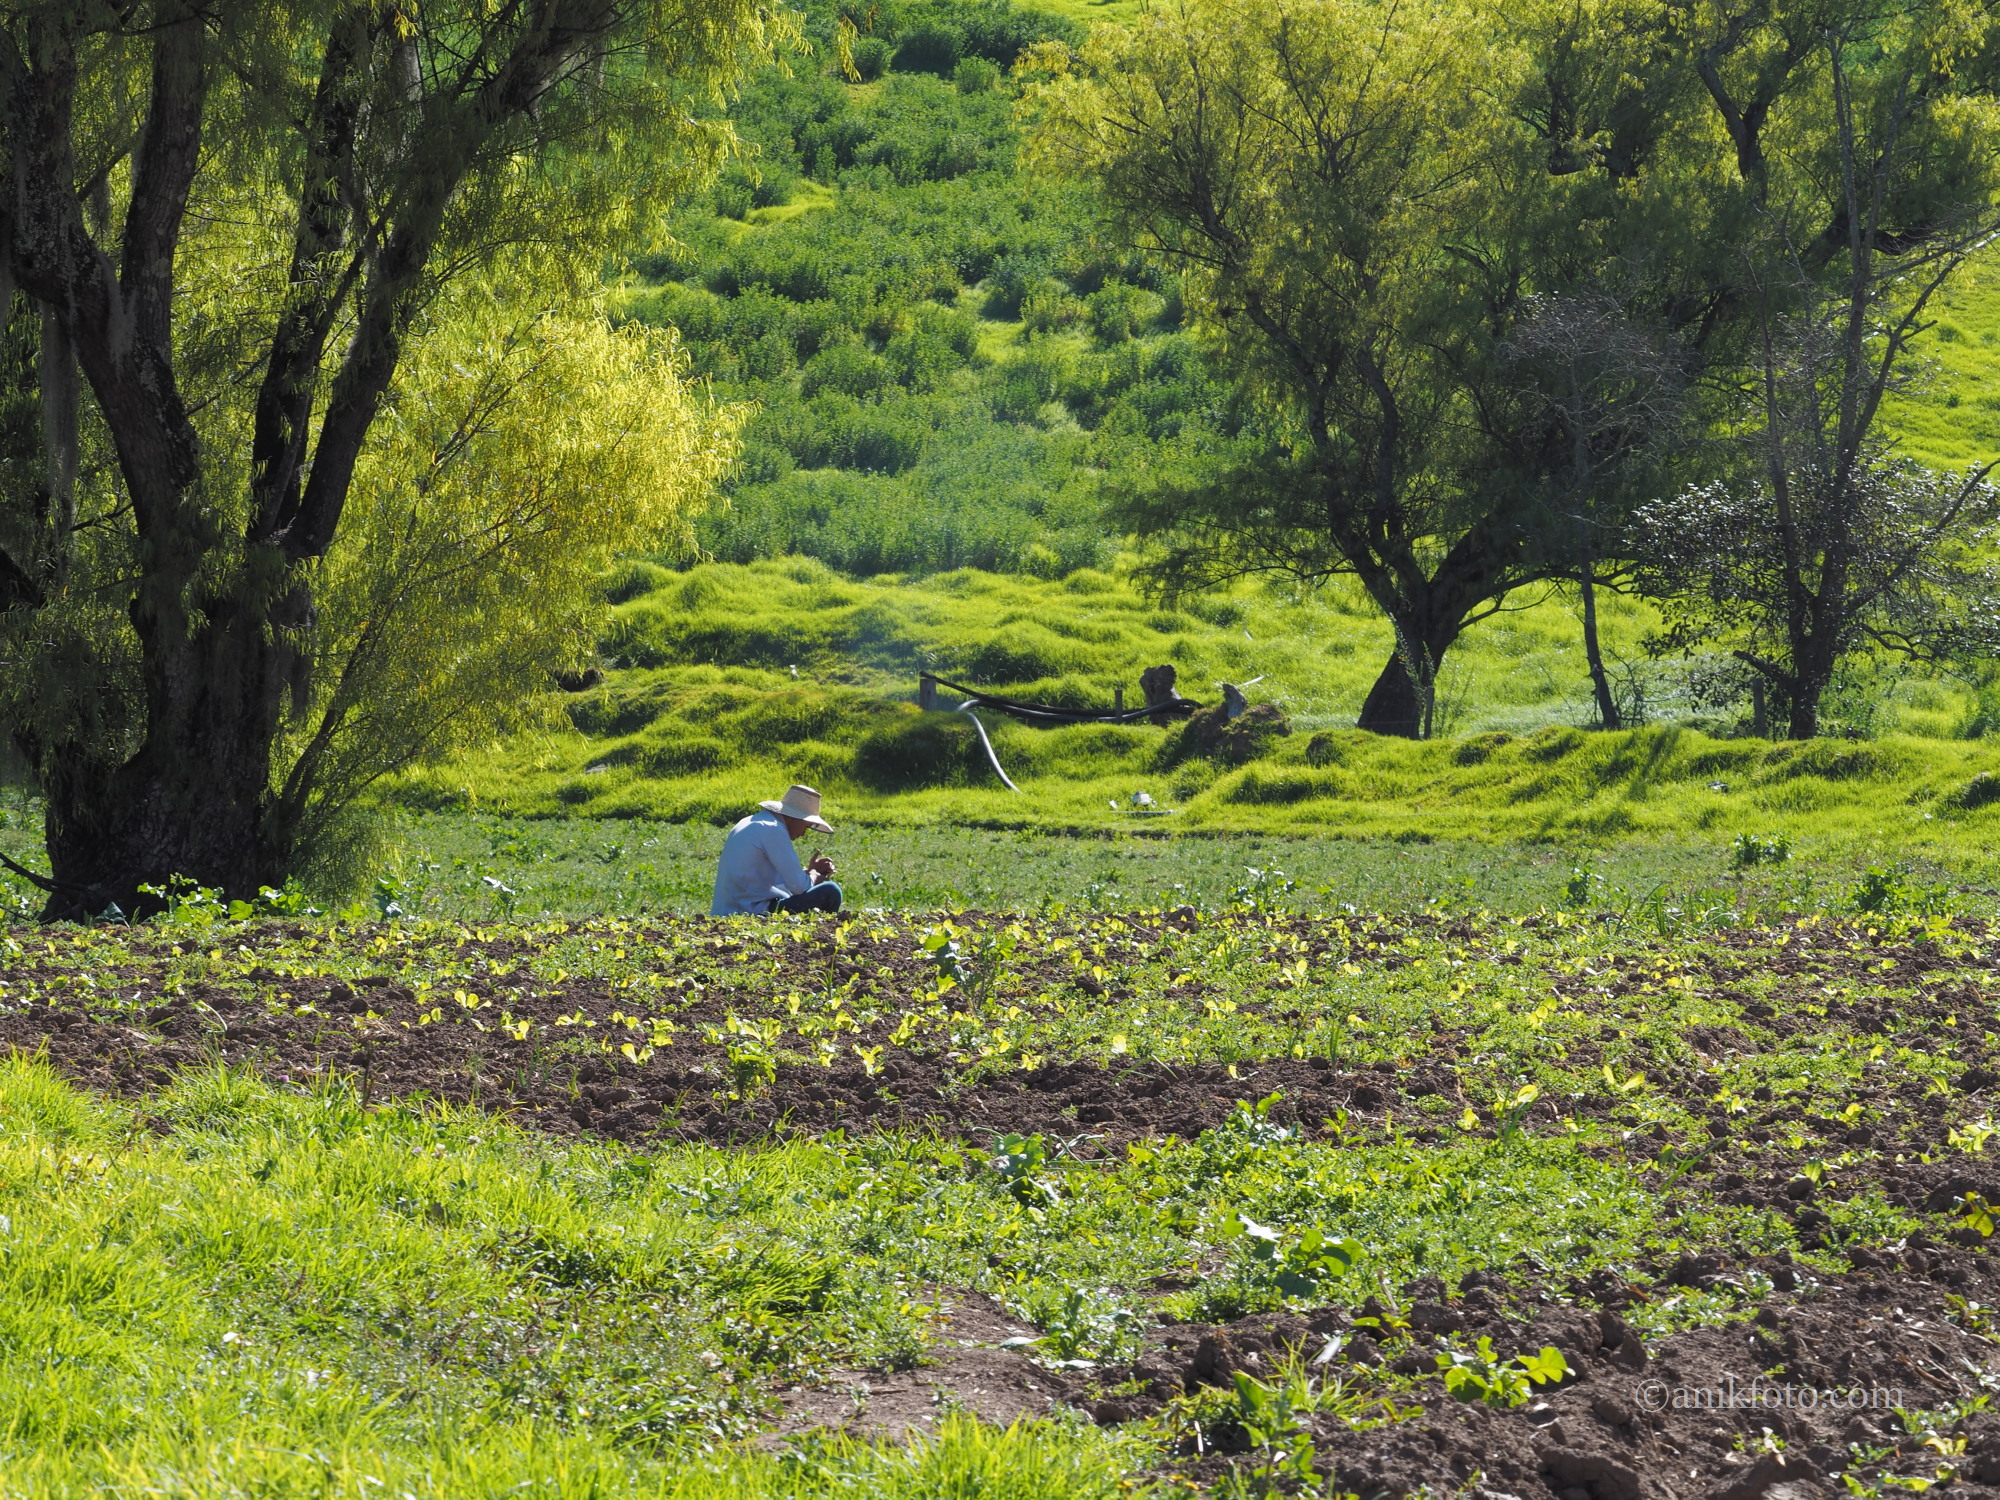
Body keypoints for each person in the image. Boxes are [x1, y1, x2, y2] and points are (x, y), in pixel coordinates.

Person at [710, 783, 843, 916]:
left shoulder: (752, 822)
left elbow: (768, 880)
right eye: (806, 826)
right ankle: (822, 934)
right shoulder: (773, 829)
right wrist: (815, 876)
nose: (803, 833)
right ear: (793, 817)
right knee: (831, 891)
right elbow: (800, 887)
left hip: (729, 909)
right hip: (751, 911)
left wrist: (807, 872)